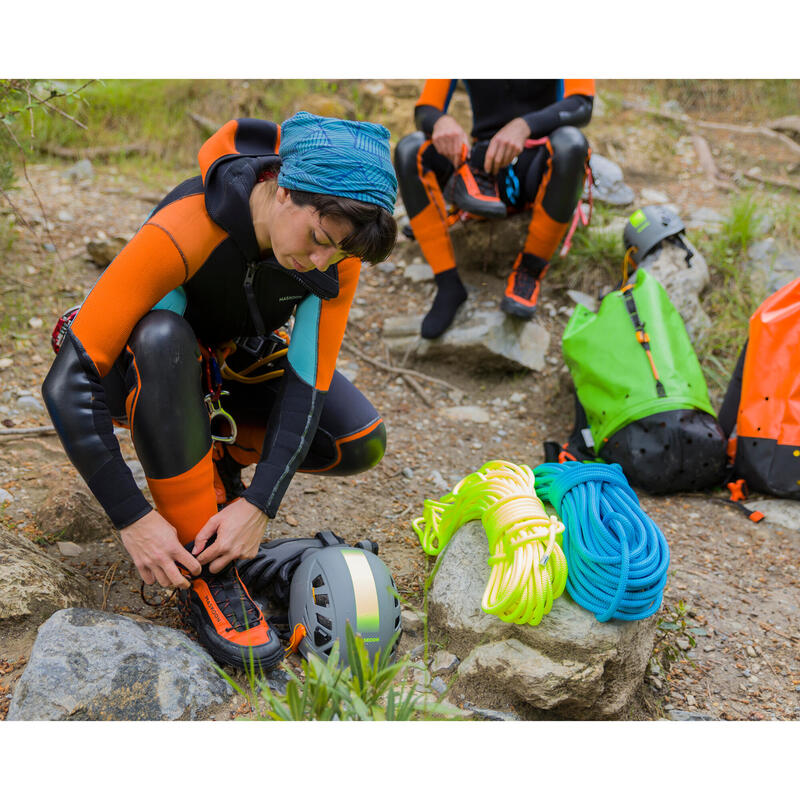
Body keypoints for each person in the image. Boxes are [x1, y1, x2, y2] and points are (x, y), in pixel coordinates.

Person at [42, 112, 398, 671]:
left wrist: (258, 506)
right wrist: (133, 518)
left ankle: (216, 478)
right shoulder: (188, 224)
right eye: (319, 240)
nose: (321, 262)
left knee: (357, 439)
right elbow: (66, 384)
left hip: (228, 367)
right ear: (283, 191)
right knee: (162, 339)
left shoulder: (333, 252)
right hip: (138, 365)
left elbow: (308, 386)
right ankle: (208, 573)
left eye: (340, 253)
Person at [394, 79, 594, 339]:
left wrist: (524, 126)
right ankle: (447, 284)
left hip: (538, 163)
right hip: (480, 169)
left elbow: (582, 104)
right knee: (411, 149)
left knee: (572, 143)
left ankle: (529, 273)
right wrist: (440, 122)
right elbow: (426, 109)